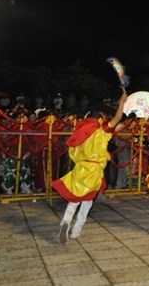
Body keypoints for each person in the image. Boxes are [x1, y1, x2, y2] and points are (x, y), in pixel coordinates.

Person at [52, 91, 128, 245]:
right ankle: (76, 230)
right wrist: (122, 101)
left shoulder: (80, 133)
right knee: (87, 202)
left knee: (74, 201)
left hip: (80, 169)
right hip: (94, 171)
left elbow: (73, 152)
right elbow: (118, 119)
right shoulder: (101, 132)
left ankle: (66, 222)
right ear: (99, 119)